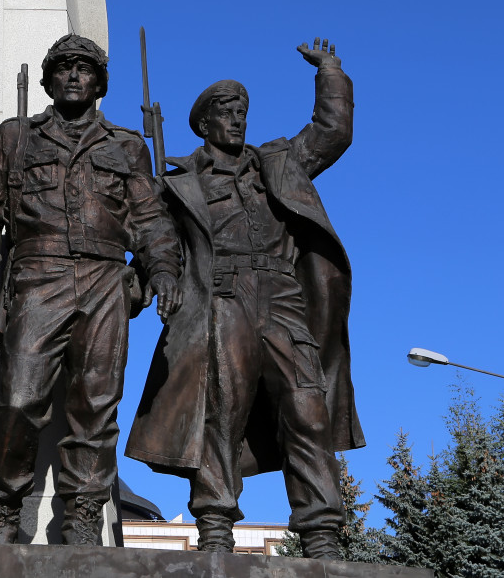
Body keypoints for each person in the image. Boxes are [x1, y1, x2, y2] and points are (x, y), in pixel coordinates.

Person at [125, 38, 364, 560]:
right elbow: (156, 246)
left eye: (242, 112)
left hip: (281, 297)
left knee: (308, 408)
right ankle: (214, 525)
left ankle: (321, 531)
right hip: (221, 298)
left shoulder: (277, 162)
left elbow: (332, 133)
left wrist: (331, 74)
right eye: (226, 113)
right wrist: (130, 292)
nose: (237, 121)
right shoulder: (179, 182)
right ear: (204, 123)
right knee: (220, 410)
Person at [0, 34, 179, 545]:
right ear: (48, 80)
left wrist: (163, 269)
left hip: (105, 277)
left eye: (84, 69)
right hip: (38, 274)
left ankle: (82, 512)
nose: (74, 76)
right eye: (63, 68)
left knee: (96, 403)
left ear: (100, 82)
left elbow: (151, 219)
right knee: (17, 397)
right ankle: (1, 508)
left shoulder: (125, 145)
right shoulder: (16, 137)